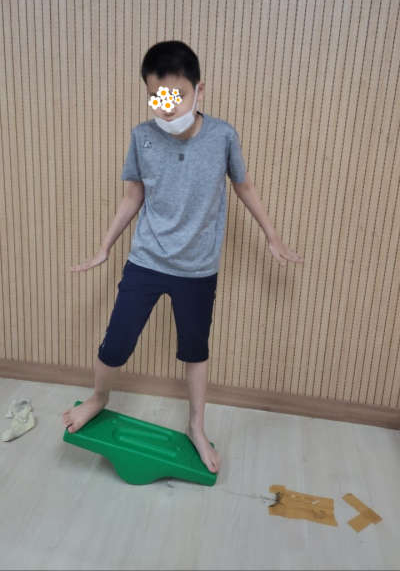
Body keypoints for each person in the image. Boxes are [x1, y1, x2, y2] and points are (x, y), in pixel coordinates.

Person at [63, 40, 304, 473]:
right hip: (147, 260)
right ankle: (98, 397)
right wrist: (104, 247)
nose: (167, 107)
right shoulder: (142, 137)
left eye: (176, 95)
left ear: (199, 90)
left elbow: (244, 187)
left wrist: (273, 236)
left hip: (197, 268)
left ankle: (196, 425)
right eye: (156, 97)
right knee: (115, 344)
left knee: (195, 349)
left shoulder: (223, 136)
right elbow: (132, 196)